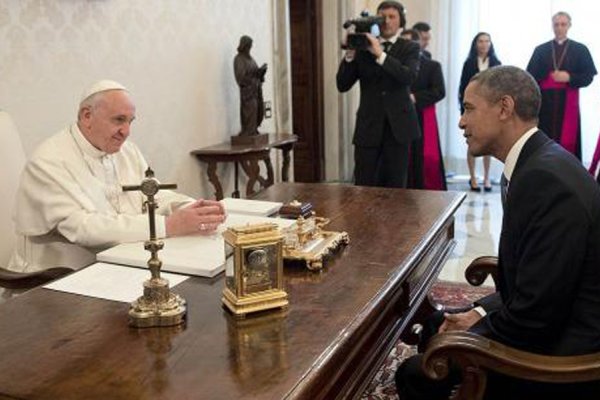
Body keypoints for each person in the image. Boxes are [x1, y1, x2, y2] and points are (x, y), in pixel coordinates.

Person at [395, 66, 600, 399]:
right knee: (437, 325)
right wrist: (476, 313)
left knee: (415, 372)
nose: (461, 122)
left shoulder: (545, 181)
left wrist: (476, 330)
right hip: (554, 318)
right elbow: (538, 283)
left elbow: (536, 316)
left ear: (505, 108)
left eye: (469, 108)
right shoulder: (537, 162)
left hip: (565, 356)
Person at [9, 80, 226, 273]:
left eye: (130, 121)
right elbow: (83, 228)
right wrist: (170, 225)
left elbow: (152, 194)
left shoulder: (126, 150)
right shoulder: (49, 161)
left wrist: (191, 209)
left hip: (120, 263)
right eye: (119, 120)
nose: (126, 131)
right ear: (87, 116)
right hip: (57, 278)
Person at [336, 1, 420, 188]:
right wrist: (350, 53)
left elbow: (408, 76)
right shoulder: (362, 49)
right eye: (383, 17)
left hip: (399, 127)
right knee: (364, 182)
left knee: (396, 184)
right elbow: (342, 84)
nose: (387, 21)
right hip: (368, 127)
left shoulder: (410, 47)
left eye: (392, 17)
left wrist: (380, 54)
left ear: (401, 21)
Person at [526, 11, 597, 159]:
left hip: (568, 103)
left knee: (568, 142)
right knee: (543, 141)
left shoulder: (580, 49)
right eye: (556, 24)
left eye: (563, 24)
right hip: (545, 104)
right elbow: (529, 77)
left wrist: (569, 77)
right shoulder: (541, 50)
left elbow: (588, 77)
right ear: (552, 26)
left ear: (569, 26)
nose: (559, 28)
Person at [401, 29, 447, 190]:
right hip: (399, 118)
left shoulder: (432, 66)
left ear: (417, 44)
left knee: (424, 158)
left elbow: (439, 91)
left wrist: (415, 98)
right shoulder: (395, 65)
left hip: (422, 116)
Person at [459, 32, 501, 192]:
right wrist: (463, 109)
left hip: (490, 108)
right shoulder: (469, 63)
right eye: (481, 41)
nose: (484, 44)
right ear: (475, 44)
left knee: (488, 142)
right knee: (471, 141)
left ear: (491, 44)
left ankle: (486, 178)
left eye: (487, 41)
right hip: (471, 108)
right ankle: (473, 178)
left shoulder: (497, 63)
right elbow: (462, 88)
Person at [234, 35, 267, 136]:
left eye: (251, 47)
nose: (250, 49)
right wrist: (254, 76)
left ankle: (254, 130)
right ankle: (248, 131)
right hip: (248, 94)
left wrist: (261, 73)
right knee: (250, 112)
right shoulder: (239, 59)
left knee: (258, 111)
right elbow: (241, 78)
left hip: (256, 91)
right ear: (244, 46)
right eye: (248, 46)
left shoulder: (251, 59)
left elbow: (256, 73)